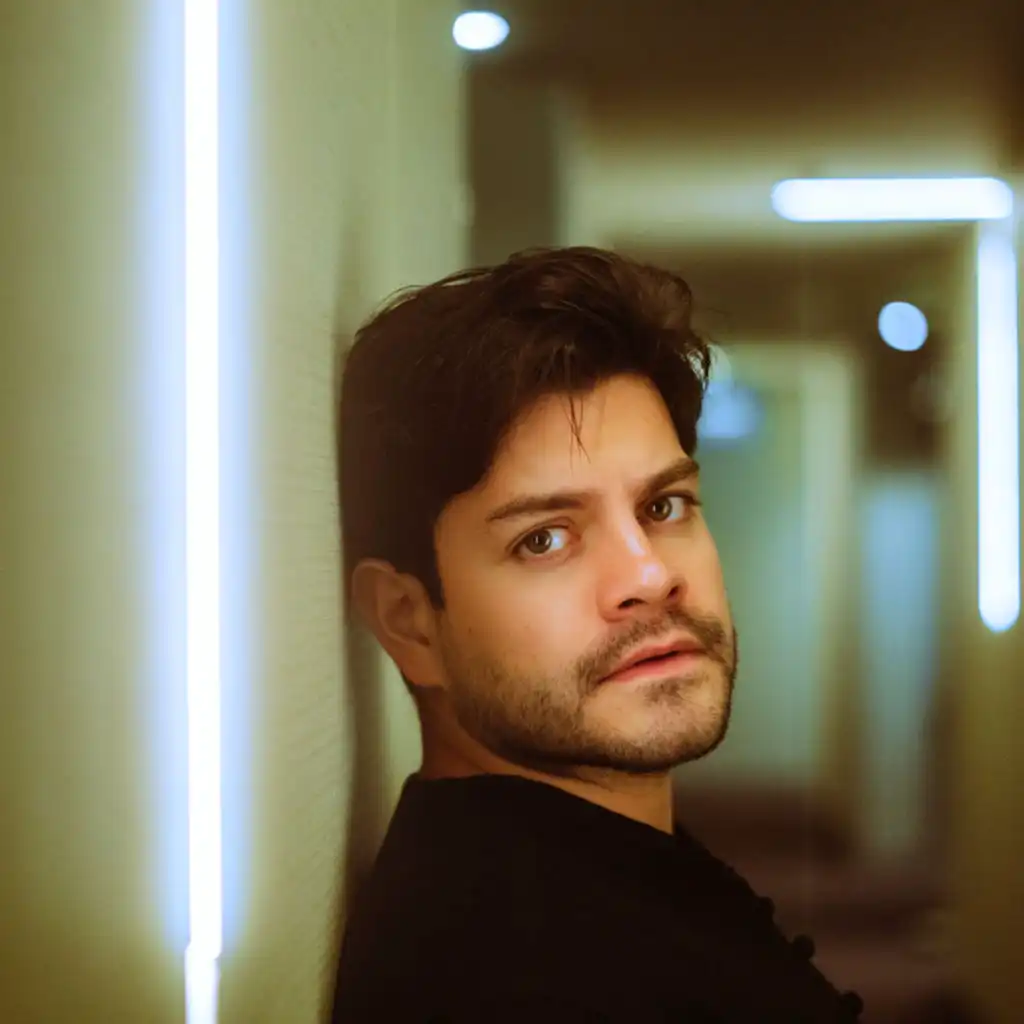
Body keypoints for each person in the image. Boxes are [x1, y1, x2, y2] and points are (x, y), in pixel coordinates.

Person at [330, 247, 863, 1022]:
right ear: (409, 622)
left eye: (663, 507)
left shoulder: (599, 878)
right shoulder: (512, 980)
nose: (650, 575)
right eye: (544, 539)